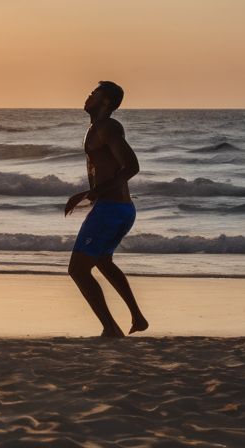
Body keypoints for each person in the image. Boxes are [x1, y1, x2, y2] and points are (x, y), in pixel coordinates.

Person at [64, 81, 149, 338]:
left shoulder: (107, 127)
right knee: (102, 260)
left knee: (78, 270)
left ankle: (111, 328)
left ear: (105, 102)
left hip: (111, 209)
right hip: (120, 209)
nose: (88, 96)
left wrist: (93, 193)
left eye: (94, 94)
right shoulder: (97, 128)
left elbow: (131, 167)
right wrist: (92, 194)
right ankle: (137, 317)